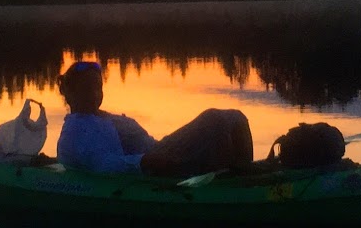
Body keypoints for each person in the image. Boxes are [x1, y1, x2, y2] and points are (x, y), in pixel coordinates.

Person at [55, 60, 253, 177]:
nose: (95, 94)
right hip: (152, 162)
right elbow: (103, 163)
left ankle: (244, 173)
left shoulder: (97, 116)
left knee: (236, 117)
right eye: (87, 89)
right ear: (69, 93)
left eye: (98, 87)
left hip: (158, 149)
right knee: (215, 120)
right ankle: (232, 182)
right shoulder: (74, 132)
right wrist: (143, 161)